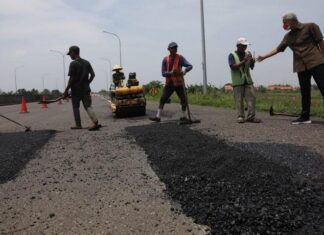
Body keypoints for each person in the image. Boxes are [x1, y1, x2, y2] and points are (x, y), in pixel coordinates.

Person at [257, 12, 324, 124]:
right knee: (305, 91)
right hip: (300, 66)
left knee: (323, 87)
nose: (283, 25)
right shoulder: (288, 37)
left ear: (292, 21)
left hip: (316, 62)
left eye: (284, 22)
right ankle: (305, 116)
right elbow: (278, 49)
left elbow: (321, 43)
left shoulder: (311, 26)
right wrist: (264, 56)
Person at [149, 42, 193, 122]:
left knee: (184, 100)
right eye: (173, 48)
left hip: (179, 83)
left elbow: (190, 66)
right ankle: (158, 117)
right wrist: (170, 73)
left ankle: (184, 116)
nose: (175, 49)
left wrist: (184, 71)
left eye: (176, 48)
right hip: (170, 83)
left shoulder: (180, 58)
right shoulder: (165, 60)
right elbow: (163, 73)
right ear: (169, 49)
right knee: (163, 99)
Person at [63, 45, 101, 131]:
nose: (70, 55)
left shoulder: (73, 64)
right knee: (88, 106)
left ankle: (78, 124)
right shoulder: (87, 62)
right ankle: (95, 122)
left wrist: (66, 90)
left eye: (70, 53)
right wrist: (87, 83)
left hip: (76, 90)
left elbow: (71, 79)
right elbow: (93, 75)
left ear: (73, 52)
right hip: (86, 89)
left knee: (76, 107)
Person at [228, 37, 261, 123]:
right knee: (239, 100)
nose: (245, 47)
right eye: (243, 46)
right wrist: (244, 60)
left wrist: (252, 61)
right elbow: (232, 67)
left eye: (246, 46)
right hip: (237, 82)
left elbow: (251, 67)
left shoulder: (248, 53)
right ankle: (240, 117)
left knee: (252, 98)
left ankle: (251, 117)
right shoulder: (232, 55)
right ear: (238, 46)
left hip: (248, 81)